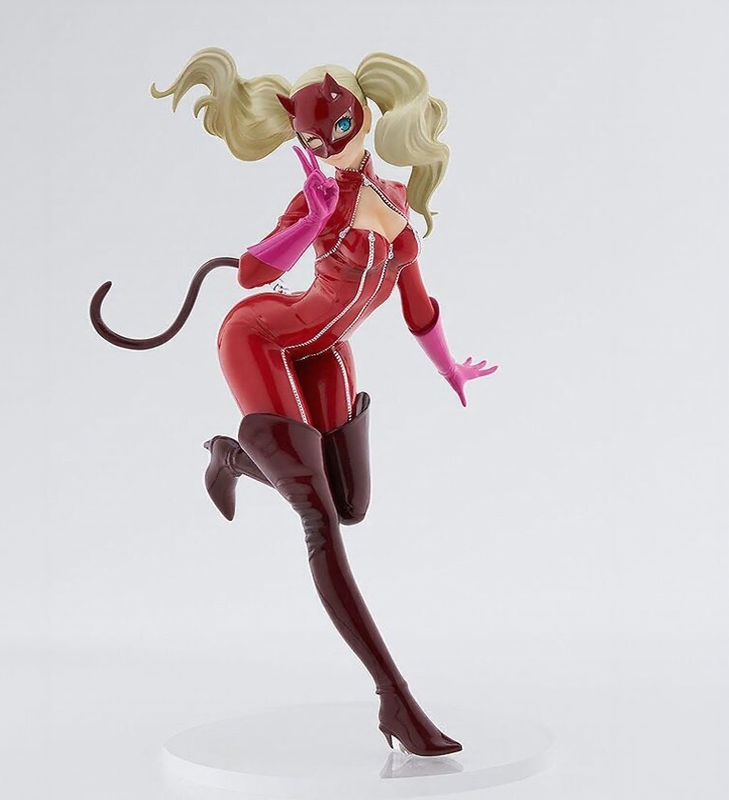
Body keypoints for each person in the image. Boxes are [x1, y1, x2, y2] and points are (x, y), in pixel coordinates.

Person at [99, 47, 497, 756]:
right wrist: (311, 220)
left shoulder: (397, 203)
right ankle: (396, 700)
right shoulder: (319, 198)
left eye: (339, 129)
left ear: (364, 115)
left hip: (326, 350)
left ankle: (233, 456)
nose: (329, 147)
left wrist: (450, 369)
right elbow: (252, 275)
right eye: (313, 140)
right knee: (319, 521)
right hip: (263, 339)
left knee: (350, 505)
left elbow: (416, 303)